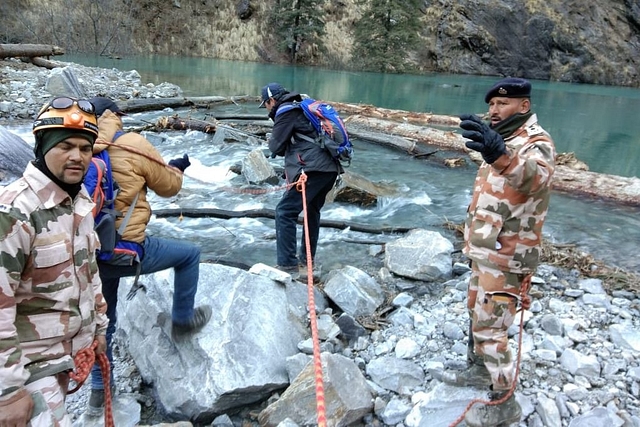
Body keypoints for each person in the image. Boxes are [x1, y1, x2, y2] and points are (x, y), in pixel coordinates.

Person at [85, 97, 212, 415]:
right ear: (114, 115)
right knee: (190, 255)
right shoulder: (131, 143)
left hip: (83, 251)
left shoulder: (73, 143)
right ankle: (182, 320)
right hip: (124, 249)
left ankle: (99, 394)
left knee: (103, 321)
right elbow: (168, 187)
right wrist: (177, 168)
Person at [443, 78, 556, 427]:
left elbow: (536, 179)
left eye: (502, 105)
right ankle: (479, 372)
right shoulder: (503, 140)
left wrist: (500, 155)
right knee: (476, 313)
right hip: (484, 250)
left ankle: (505, 402)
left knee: (493, 328)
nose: (494, 111)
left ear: (523, 106)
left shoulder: (536, 142)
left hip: (508, 256)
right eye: (491, 105)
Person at [0, 97, 109, 426]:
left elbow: (89, 273)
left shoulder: (78, 202)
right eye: (65, 146)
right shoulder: (14, 211)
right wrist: (7, 392)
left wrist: (99, 330)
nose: (77, 156)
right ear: (42, 148)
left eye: (84, 148)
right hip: (29, 367)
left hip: (64, 357)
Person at [259, 83, 343, 279]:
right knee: (311, 212)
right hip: (329, 169)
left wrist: (274, 141)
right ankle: (307, 262)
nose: (266, 108)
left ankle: (288, 265)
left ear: (271, 100)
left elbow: (276, 146)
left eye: (265, 104)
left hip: (311, 170)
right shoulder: (301, 108)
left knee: (284, 211)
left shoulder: (285, 112)